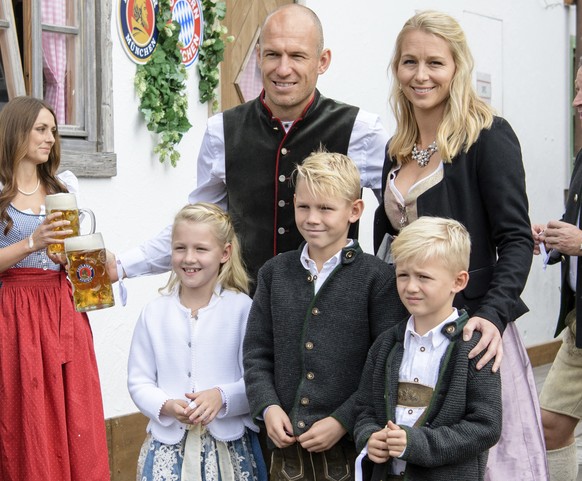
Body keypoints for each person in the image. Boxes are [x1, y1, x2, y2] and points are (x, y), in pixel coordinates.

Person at [373, 11, 547, 480]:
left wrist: (493, 315)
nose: (421, 74)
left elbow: (514, 238)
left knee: (484, 461)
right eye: (409, 62)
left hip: (471, 329)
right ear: (397, 68)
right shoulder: (397, 148)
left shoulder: (487, 137)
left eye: (435, 62)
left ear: (457, 68)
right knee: (414, 449)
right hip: (407, 329)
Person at [114, 3, 388, 286]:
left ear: (322, 60)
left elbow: (399, 225)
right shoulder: (222, 131)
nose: (283, 69)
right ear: (258, 55)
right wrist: (122, 265)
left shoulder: (361, 130)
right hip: (245, 312)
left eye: (297, 56)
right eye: (272, 54)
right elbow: (198, 227)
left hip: (334, 314)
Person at [242, 151, 407, 481]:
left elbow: (387, 364)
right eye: (303, 207)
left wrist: (343, 419)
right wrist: (268, 406)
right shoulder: (274, 273)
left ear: (354, 210)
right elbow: (256, 354)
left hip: (351, 448)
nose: (312, 218)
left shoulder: (378, 279)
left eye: (326, 209)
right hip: (285, 451)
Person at [0, 96, 110, 481]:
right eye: (41, 129)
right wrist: (33, 242)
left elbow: (78, 262)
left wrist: (84, 263)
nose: (50, 138)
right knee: (24, 405)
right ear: (17, 132)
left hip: (60, 306)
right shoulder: (0, 192)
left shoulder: (62, 188)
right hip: (14, 311)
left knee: (73, 402)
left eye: (53, 131)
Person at [354, 216, 502, 481]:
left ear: (458, 281)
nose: (411, 287)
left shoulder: (476, 347)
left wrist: (417, 444)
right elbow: (365, 410)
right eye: (402, 275)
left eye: (424, 277)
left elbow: (486, 426)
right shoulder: (385, 345)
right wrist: (369, 437)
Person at [128, 202, 266, 481]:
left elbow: (256, 377)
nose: (189, 258)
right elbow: (139, 380)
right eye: (180, 248)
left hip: (228, 444)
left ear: (224, 253)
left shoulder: (242, 309)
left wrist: (222, 397)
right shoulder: (154, 313)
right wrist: (165, 405)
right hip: (168, 449)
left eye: (201, 249)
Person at [532, 60, 582, 481]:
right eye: (577, 89)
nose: (576, 102)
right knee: (548, 426)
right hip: (579, 326)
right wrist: (552, 238)